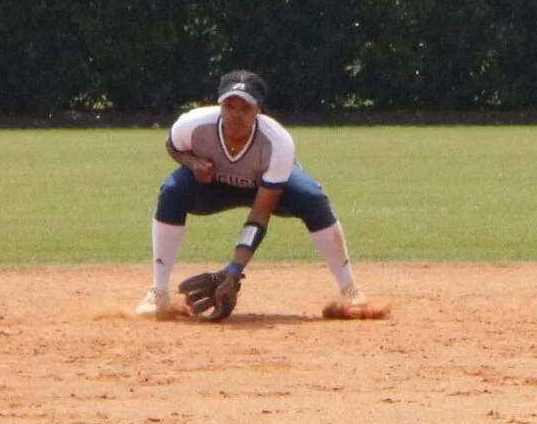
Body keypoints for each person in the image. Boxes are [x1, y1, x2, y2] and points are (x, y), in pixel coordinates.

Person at [133, 70, 370, 320]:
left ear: (259, 109)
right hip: (215, 184)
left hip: (266, 188)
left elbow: (260, 214)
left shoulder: (277, 143)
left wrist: (235, 268)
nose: (236, 113)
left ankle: (349, 290)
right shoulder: (193, 124)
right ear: (220, 105)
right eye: (229, 105)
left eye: (245, 107)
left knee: (312, 197)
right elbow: (172, 146)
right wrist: (192, 163)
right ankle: (158, 292)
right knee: (171, 191)